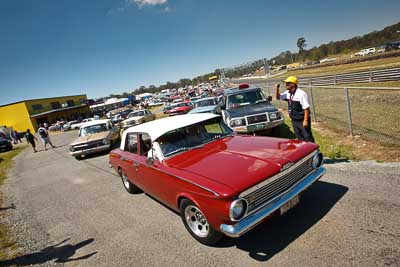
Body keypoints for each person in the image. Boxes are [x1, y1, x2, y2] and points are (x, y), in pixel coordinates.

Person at [275, 76, 315, 143]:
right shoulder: (288, 93)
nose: (286, 84)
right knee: (299, 137)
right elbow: (278, 97)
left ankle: (315, 151)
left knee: (307, 137)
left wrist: (305, 121)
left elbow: (306, 108)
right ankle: (303, 151)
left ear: (293, 84)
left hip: (302, 120)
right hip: (294, 120)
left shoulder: (301, 94)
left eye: (288, 83)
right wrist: (277, 89)